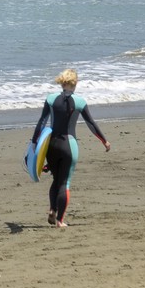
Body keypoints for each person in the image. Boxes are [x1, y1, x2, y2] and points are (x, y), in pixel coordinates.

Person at [29, 69, 110, 228]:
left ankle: (52, 209)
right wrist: (104, 141)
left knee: (56, 179)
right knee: (64, 184)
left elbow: (42, 121)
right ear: (74, 83)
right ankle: (60, 220)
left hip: (51, 145)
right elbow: (91, 124)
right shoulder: (80, 101)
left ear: (62, 82)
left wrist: (34, 141)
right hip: (69, 145)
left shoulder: (51, 99)